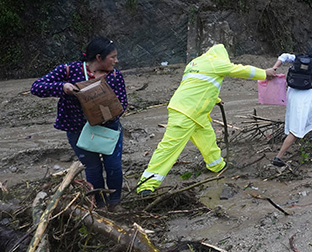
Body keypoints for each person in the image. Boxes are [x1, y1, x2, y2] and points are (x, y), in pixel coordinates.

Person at [137, 44, 276, 195]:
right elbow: (239, 70)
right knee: (169, 148)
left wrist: (216, 99)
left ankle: (217, 166)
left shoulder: (195, 63)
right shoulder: (215, 63)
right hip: (187, 112)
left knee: (208, 139)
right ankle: (146, 185)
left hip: (194, 111)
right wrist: (264, 73)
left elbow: (199, 85)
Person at [31, 37, 128, 211]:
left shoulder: (115, 76)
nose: (116, 61)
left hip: (108, 128)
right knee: (92, 167)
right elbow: (36, 87)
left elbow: (123, 103)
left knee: (113, 166)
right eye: (112, 57)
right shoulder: (69, 71)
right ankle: (98, 204)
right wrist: (63, 87)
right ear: (99, 57)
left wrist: (109, 113)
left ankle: (115, 202)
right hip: (78, 128)